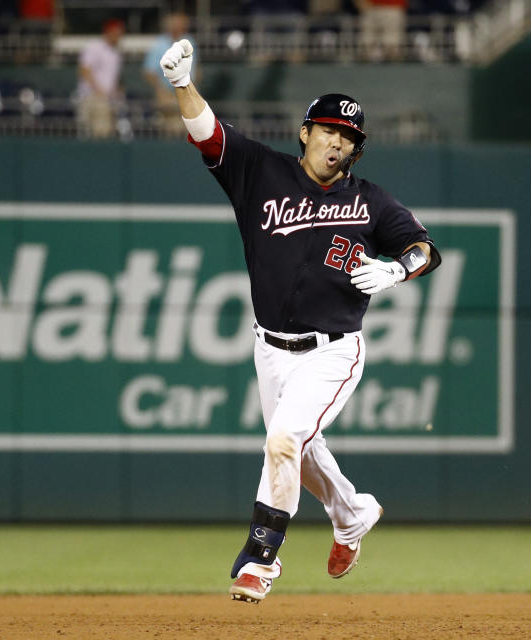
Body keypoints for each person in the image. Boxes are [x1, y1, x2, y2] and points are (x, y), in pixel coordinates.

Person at [159, 39, 442, 603]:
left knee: (284, 439)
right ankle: (353, 513)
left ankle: (260, 559)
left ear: (355, 150)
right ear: (306, 131)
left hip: (334, 349)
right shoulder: (260, 172)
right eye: (330, 129)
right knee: (298, 449)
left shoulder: (371, 201)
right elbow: (208, 134)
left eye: (349, 137)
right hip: (270, 348)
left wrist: (397, 271)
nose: (338, 141)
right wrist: (181, 86)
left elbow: (424, 249)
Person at [143, 12, 193, 136]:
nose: (180, 28)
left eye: (182, 25)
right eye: (177, 25)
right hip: (166, 93)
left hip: (187, 91)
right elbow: (149, 72)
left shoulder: (190, 41)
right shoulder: (160, 44)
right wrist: (161, 90)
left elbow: (196, 69)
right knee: (174, 126)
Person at [75, 18, 124, 139]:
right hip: (90, 96)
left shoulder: (116, 53)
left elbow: (113, 79)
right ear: (108, 32)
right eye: (116, 33)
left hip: (108, 98)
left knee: (109, 130)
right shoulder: (94, 46)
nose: (118, 36)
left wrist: (116, 92)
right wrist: (99, 90)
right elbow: (84, 70)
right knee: (99, 131)